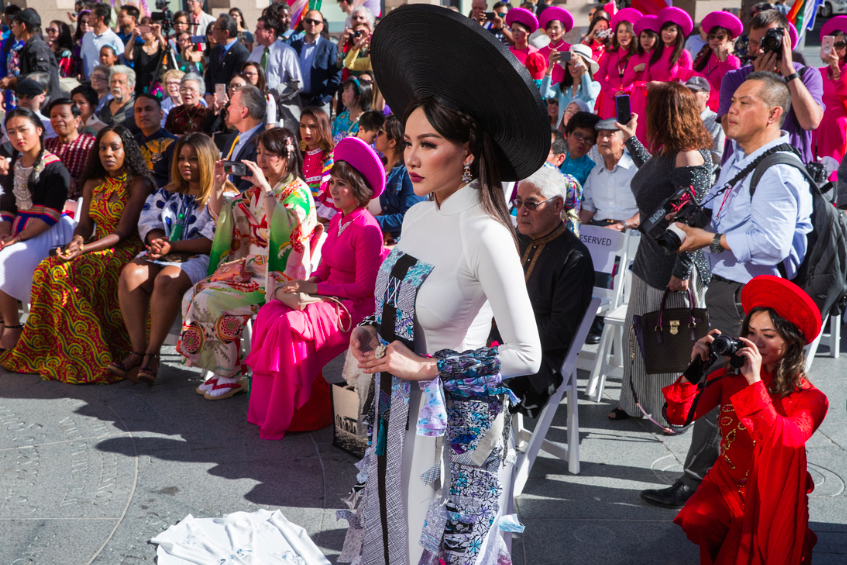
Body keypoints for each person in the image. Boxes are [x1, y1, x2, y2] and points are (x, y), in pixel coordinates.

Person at [339, 7, 543, 563]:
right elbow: (401, 307)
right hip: (391, 413)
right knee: (387, 537)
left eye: (428, 144)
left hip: (451, 432)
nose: (410, 158)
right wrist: (369, 331)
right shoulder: (418, 217)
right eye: (407, 142)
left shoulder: (487, 234)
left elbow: (528, 353)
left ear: (469, 151)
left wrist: (427, 367)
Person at [640, 72, 814, 509]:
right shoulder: (745, 158)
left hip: (748, 296)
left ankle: (703, 481)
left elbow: (772, 244)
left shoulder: (775, 172)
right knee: (726, 386)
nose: (729, 109)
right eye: (732, 100)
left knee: (726, 386)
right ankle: (720, 479)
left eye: (745, 102)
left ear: (774, 114)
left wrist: (709, 240)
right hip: (732, 288)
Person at [665, 276, 827, 565]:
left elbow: (782, 439)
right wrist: (695, 368)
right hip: (726, 480)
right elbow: (676, 416)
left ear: (791, 341)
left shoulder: (812, 398)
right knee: (697, 519)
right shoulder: (731, 377)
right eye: (751, 332)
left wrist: (754, 382)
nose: (755, 343)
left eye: (769, 335)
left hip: (772, 494)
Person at [245, 136, 383, 438]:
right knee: (270, 312)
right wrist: (303, 284)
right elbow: (323, 270)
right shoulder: (339, 220)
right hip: (330, 298)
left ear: (358, 189)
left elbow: (363, 288)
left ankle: (301, 410)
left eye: (342, 184)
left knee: (289, 326)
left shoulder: (367, 228)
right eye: (332, 182)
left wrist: (317, 291)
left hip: (352, 308)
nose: (333, 189)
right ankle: (295, 407)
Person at [0, 125, 154, 383]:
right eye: (103, 148)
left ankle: (87, 353)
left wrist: (83, 249)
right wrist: (76, 242)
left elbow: (123, 231)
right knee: (46, 268)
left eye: (114, 147)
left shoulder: (140, 184)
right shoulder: (93, 183)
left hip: (126, 250)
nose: (108, 153)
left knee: (63, 272)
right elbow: (84, 225)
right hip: (94, 244)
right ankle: (56, 349)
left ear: (127, 150)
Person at [179, 127, 317, 400]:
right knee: (193, 293)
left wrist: (267, 192)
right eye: (259, 153)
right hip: (249, 271)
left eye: (269, 154)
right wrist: (218, 187)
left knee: (211, 300)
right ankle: (223, 368)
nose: (262, 160)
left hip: (277, 278)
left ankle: (229, 373)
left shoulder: (297, 192)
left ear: (287, 156)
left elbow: (285, 234)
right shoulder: (256, 191)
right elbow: (226, 218)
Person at [608, 83, 713, 429]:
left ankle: (669, 411)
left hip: (672, 265)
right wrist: (631, 137)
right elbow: (653, 177)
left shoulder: (691, 157)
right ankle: (636, 403)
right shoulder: (672, 151)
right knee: (637, 336)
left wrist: (682, 271)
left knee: (667, 344)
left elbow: (693, 219)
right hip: (650, 256)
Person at [114, 132, 220, 384]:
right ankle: (137, 351)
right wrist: (156, 239)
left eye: (193, 159)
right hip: (164, 252)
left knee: (166, 280)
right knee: (130, 274)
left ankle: (153, 354)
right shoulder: (165, 193)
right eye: (181, 158)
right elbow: (149, 221)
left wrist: (171, 245)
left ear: (207, 161)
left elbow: (210, 241)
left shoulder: (220, 197)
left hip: (199, 258)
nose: (185, 164)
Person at [505, 165, 594, 417]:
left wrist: (503, 337)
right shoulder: (517, 238)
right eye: (518, 202)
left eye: (531, 204)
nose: (521, 211)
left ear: (557, 206)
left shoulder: (574, 258)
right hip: (501, 346)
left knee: (461, 381)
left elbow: (560, 332)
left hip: (535, 366)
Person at [0, 108, 75, 351]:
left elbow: (52, 215)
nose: (18, 136)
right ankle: (4, 321)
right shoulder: (14, 166)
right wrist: (4, 232)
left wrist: (17, 238)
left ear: (39, 130)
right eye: (12, 132)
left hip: (48, 230)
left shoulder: (54, 168)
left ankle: (12, 327)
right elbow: (9, 206)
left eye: (23, 129)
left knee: (4, 260)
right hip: (19, 227)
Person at [718, 9, 823, 164]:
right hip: (741, 170)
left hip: (787, 169)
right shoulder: (734, 78)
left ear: (785, 42)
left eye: (768, 42)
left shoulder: (807, 75)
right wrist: (758, 82)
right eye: (754, 43)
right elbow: (731, 131)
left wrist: (788, 72)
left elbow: (810, 122)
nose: (760, 50)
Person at [370, 114, 425, 242]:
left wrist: (368, 220)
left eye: (380, 131)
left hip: (395, 244)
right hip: (374, 237)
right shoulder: (377, 166)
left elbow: (408, 217)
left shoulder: (408, 174)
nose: (376, 134)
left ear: (392, 142)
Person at [578, 118, 639, 232]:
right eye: (600, 135)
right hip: (598, 229)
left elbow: (649, 211)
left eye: (610, 135)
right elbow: (588, 209)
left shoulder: (636, 169)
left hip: (629, 230)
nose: (603, 140)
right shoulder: (595, 173)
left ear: (624, 143)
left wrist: (622, 225)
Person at [248, 13, 304, 132]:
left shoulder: (287, 52)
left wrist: (275, 94)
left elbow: (298, 83)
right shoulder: (255, 53)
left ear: (270, 32)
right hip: (259, 109)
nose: (255, 32)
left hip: (284, 110)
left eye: (259, 28)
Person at [1, 8, 63, 101]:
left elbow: (41, 76)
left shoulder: (37, 47)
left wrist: (13, 80)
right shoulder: (30, 46)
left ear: (23, 26)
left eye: (15, 23)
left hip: (46, 105)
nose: (12, 26)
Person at [291, 10, 342, 117]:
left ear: (322, 26)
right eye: (309, 21)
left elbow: (336, 77)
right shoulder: (294, 46)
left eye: (316, 22)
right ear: (303, 23)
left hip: (320, 102)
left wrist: (325, 99)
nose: (312, 24)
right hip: (297, 101)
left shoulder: (330, 47)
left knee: (321, 133)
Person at [814, 16, 847, 180]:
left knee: (836, 173)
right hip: (819, 129)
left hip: (840, 132)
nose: (835, 49)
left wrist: (836, 70)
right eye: (831, 44)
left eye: (840, 45)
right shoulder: (818, 73)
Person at [692, 12, 743, 112]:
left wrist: (723, 59)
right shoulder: (703, 56)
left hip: (719, 112)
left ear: (728, 39)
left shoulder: (733, 61)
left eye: (720, 37)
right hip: (698, 109)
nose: (715, 39)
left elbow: (730, 85)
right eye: (712, 36)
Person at [45, 98, 96, 199]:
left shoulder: (91, 146)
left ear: (77, 120)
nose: (57, 120)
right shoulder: (46, 145)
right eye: (53, 116)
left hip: (79, 205)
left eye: (63, 116)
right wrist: (62, 173)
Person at [595, 8, 640, 119]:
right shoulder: (610, 55)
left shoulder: (639, 56)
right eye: (620, 31)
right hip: (610, 99)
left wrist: (629, 89)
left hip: (632, 97)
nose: (623, 35)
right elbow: (600, 77)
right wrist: (612, 92)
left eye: (627, 31)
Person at [220, 85, 266, 192]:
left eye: (231, 105)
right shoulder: (234, 136)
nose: (228, 108)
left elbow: (249, 184)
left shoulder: (263, 143)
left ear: (243, 111)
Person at [541, 43, 601, 119]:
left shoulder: (595, 85)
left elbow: (588, 94)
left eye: (576, 63)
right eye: (570, 63)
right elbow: (544, 93)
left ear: (587, 64)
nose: (573, 67)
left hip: (583, 128)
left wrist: (583, 68)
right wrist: (550, 66)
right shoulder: (561, 86)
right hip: (563, 130)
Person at [203, 15, 250, 108]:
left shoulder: (241, 53)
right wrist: (208, 93)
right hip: (213, 103)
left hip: (230, 103)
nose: (212, 32)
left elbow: (236, 80)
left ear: (226, 33)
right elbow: (209, 74)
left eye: (215, 29)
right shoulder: (215, 50)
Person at [298, 106, 335, 221]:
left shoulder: (331, 158)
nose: (306, 132)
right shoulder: (295, 156)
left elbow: (333, 201)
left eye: (312, 126)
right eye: (302, 126)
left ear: (323, 128)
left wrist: (311, 222)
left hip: (321, 224)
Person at [134, 93, 177, 188]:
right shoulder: (131, 142)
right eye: (139, 110)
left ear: (161, 114)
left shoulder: (173, 143)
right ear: (134, 117)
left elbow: (173, 184)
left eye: (148, 109)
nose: (143, 114)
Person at [545, 128, 582, 234]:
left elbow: (572, 221)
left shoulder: (568, 183)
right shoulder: (526, 176)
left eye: (544, 150)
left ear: (560, 159)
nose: (537, 154)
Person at [645, 7, 693, 82]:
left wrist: (662, 85)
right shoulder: (653, 53)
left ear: (679, 33)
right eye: (665, 29)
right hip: (652, 93)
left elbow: (686, 85)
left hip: (673, 93)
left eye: (672, 30)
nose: (667, 33)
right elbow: (645, 81)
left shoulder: (684, 54)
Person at [685, 76, 725, 166]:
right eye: (687, 91)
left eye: (694, 91)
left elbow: (717, 155)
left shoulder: (716, 121)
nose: (689, 95)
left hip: (703, 174)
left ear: (707, 96)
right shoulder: (679, 118)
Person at [80, 3, 123, 80]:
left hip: (105, 84)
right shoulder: (86, 37)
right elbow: (83, 58)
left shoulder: (115, 39)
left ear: (101, 18)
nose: (88, 18)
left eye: (91, 15)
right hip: (88, 83)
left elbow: (121, 65)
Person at [123, 18, 166, 96]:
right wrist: (133, 36)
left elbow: (167, 52)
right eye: (141, 28)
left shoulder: (161, 46)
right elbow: (128, 55)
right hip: (141, 88)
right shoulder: (138, 47)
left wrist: (159, 35)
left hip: (158, 88)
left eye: (146, 28)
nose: (142, 31)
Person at [505, 8, 547, 81]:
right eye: (513, 30)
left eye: (518, 30)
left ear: (527, 32)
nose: (515, 34)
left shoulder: (536, 53)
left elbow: (540, 78)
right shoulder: (507, 52)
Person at [560, 110, 599, 185]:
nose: (583, 141)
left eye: (589, 139)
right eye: (578, 135)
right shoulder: (553, 155)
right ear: (568, 134)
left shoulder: (591, 169)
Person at [96, 65, 139, 134]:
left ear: (130, 88)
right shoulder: (105, 107)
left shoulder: (136, 109)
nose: (116, 85)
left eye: (121, 82)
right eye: (113, 81)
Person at [332, 77, 373, 143]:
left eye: (347, 91)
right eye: (343, 90)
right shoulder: (341, 117)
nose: (343, 94)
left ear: (358, 97)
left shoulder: (369, 122)